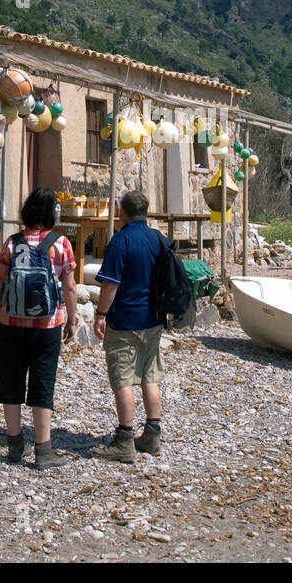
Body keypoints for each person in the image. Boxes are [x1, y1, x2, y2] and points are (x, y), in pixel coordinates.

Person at [0, 187, 77, 469]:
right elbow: (70, 286)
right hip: (47, 324)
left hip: (10, 322)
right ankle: (43, 450)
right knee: (43, 381)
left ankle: (15, 446)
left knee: (11, 380)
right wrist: (72, 320)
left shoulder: (11, 243)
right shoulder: (60, 243)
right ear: (52, 213)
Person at [91, 190, 166, 463]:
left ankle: (125, 440)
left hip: (125, 321)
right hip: (153, 319)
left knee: (123, 380)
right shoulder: (158, 239)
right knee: (150, 375)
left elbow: (111, 284)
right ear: (145, 212)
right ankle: (152, 434)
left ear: (122, 212)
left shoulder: (120, 241)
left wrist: (100, 313)